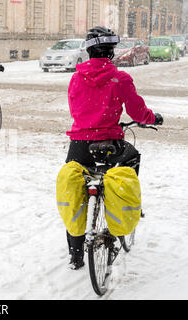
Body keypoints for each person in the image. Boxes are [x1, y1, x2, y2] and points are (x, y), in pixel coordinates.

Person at [64, 26, 163, 270]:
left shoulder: (76, 78)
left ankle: (75, 256)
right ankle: (124, 205)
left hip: (79, 145)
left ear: (88, 52)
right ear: (111, 52)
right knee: (132, 157)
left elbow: (76, 110)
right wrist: (153, 118)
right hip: (110, 144)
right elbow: (138, 112)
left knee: (75, 192)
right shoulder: (120, 78)